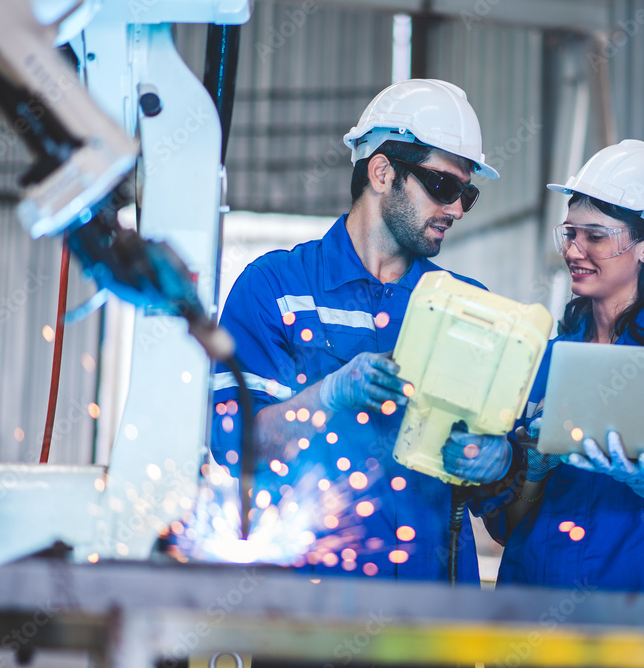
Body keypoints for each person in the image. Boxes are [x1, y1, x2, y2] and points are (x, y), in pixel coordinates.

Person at [210, 79, 510, 583]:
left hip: (428, 619)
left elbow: (495, 494)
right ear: (381, 172)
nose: (457, 209)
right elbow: (232, 441)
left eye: (468, 194)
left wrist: (497, 464)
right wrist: (327, 398)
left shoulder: (467, 308)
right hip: (306, 614)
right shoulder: (278, 288)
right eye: (444, 186)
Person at [445, 140, 644, 594]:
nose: (574, 250)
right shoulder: (543, 361)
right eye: (570, 233)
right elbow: (507, 526)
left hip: (640, 619)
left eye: (595, 236)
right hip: (535, 608)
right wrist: (532, 471)